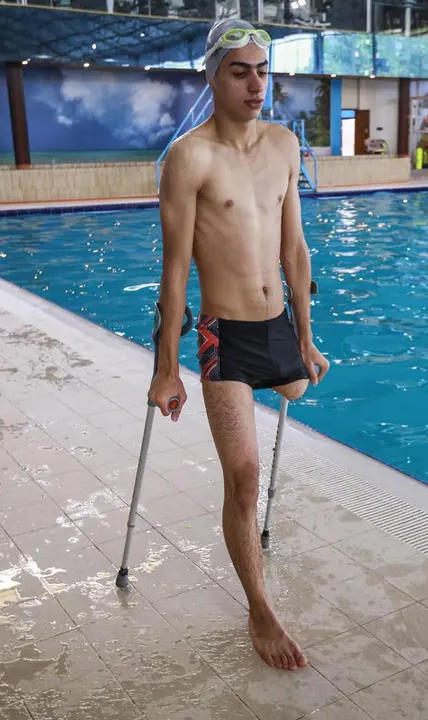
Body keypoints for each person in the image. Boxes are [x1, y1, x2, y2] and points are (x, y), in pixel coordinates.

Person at [148, 18, 330, 671]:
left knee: (301, 387)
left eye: (262, 70)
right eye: (239, 71)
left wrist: (306, 338)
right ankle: (259, 609)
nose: (256, 84)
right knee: (244, 479)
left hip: (278, 326)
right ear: (213, 76)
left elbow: (295, 251)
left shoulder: (283, 145)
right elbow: (173, 273)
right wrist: (167, 369)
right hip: (224, 335)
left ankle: (292, 365)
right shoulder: (189, 158)